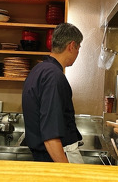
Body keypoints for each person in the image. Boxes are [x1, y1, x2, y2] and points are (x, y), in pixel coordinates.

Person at [22, 23, 84, 163]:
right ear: (71, 46)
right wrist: (66, 172)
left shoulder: (38, 69)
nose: (78, 53)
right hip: (57, 155)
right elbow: (51, 136)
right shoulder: (53, 76)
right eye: (78, 48)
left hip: (43, 157)